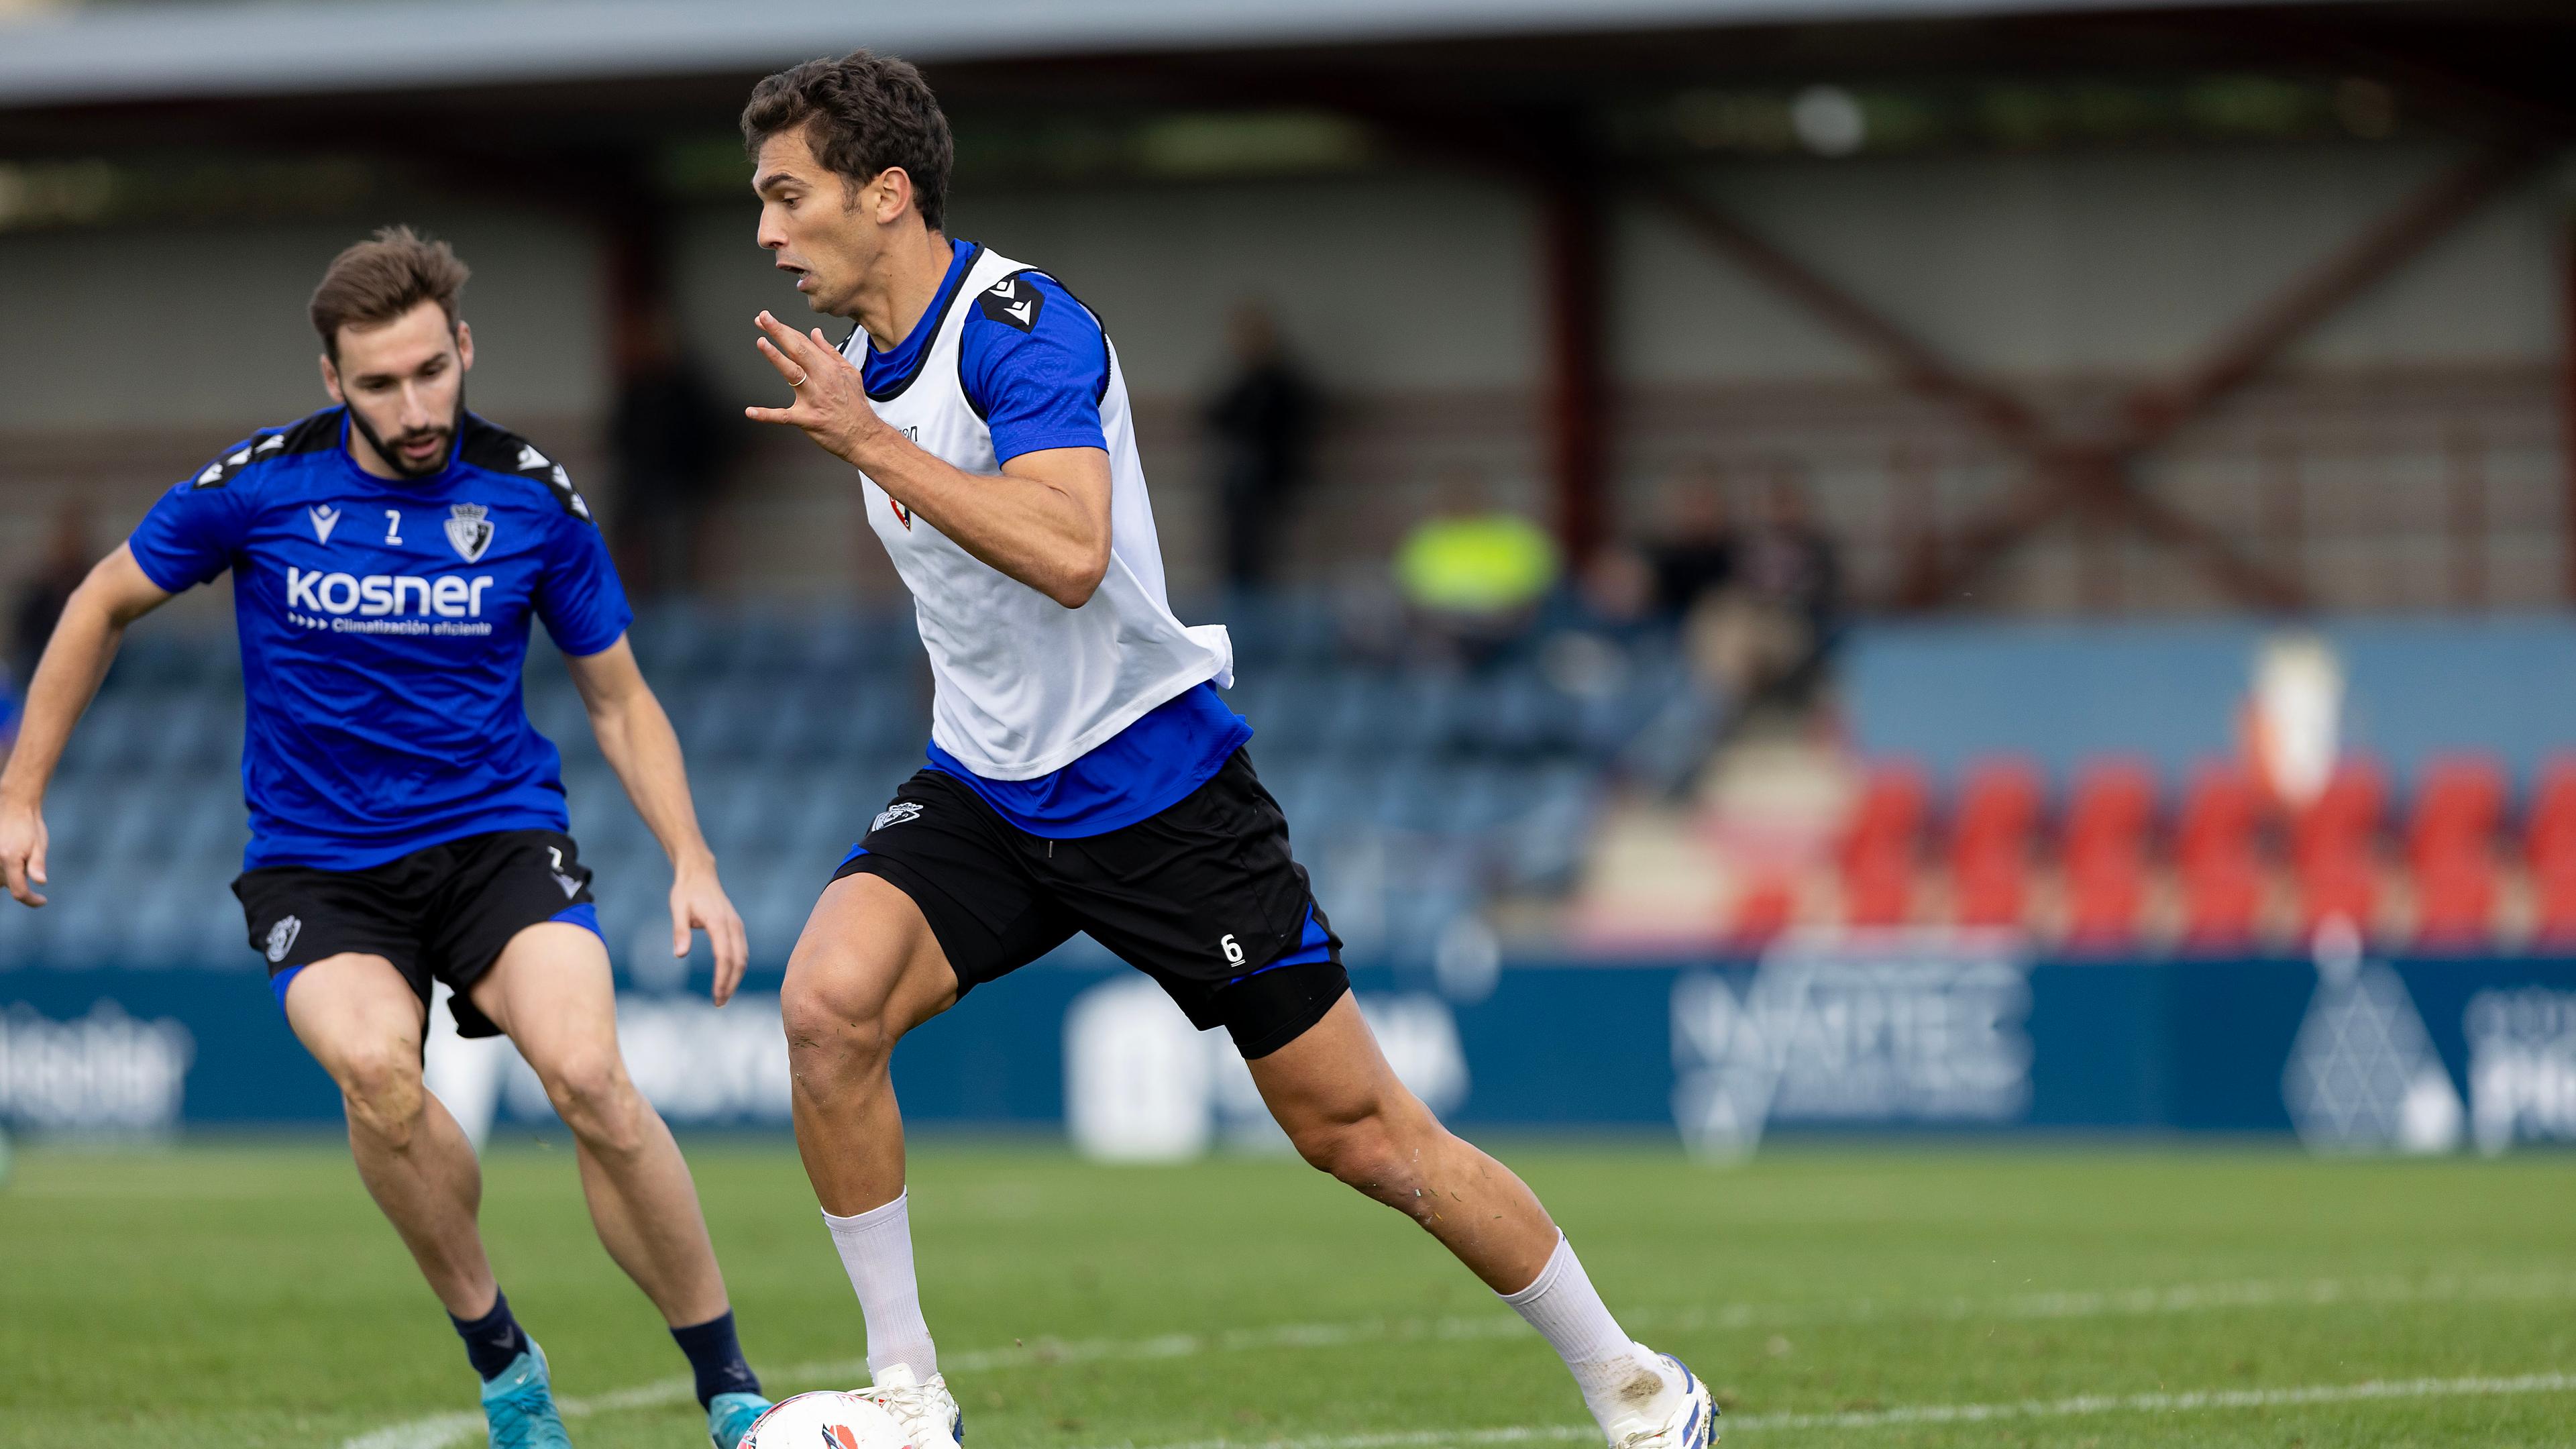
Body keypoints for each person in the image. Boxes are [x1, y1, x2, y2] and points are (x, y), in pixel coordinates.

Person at [735, 51, 1715, 1449]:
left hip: (1154, 787)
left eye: (788, 196)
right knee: (827, 1008)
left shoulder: (1024, 326)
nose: (767, 234)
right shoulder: (866, 372)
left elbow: (1070, 553)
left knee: (1361, 1134)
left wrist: (870, 446)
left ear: (885, 193)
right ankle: (912, 1399)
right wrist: (868, 427)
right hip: (986, 790)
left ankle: (1633, 1381)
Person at [0, 227, 771, 1449]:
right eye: (378, 385)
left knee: (588, 1078)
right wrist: (20, 790)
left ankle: (731, 1390)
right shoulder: (260, 487)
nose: (413, 408)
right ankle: (504, 1362)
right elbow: (100, 601)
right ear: (331, 382)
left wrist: (695, 861)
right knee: (378, 1078)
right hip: (320, 865)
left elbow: (618, 698)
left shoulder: (528, 496)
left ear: (462, 348)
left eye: (430, 372)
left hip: (497, 840)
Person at [1203, 301, 1317, 591]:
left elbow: (1298, 428)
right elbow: (1213, 417)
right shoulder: (1240, 385)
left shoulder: (1285, 384)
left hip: (1277, 487)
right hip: (1243, 494)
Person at [12, 502, 92, 692]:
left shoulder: (97, 588)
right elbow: (25, 645)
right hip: (41, 672)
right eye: (65, 543)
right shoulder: (37, 599)